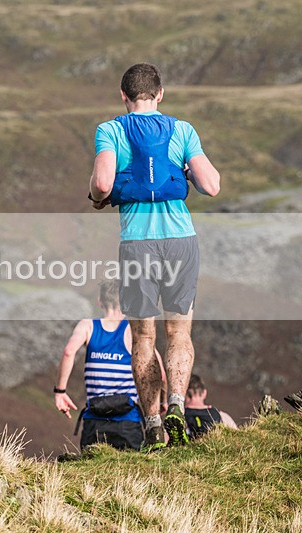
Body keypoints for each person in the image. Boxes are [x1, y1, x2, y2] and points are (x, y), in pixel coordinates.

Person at [88, 63, 221, 450]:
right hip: (181, 240)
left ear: (123, 95)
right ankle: (177, 404)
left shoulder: (110, 130)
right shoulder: (182, 130)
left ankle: (151, 425)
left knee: (143, 336)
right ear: (160, 94)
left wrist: (97, 199)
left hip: (138, 243)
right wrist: (186, 173)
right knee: (179, 333)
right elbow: (211, 185)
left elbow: (102, 183)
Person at [54, 280, 166, 451]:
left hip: (94, 420)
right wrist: (163, 401)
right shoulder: (133, 330)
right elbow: (159, 373)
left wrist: (60, 391)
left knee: (90, 470)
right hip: (128, 421)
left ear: (100, 301)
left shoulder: (88, 326)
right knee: (132, 471)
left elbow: (69, 351)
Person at [184, 374, 238, 439]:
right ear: (204, 393)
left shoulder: (178, 417)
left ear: (183, 394)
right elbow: (238, 439)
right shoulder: (222, 416)